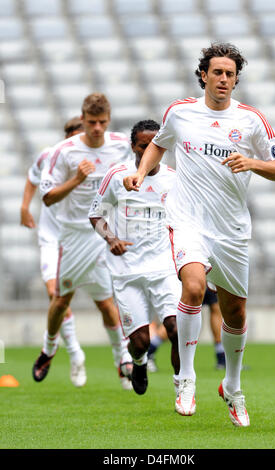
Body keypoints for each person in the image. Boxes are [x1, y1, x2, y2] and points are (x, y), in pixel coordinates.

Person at [123, 43, 275, 425]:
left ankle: (232, 387)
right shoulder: (180, 112)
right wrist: (141, 173)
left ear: (236, 79)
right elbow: (158, 146)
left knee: (235, 313)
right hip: (187, 221)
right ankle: (186, 378)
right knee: (194, 288)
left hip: (230, 229)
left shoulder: (251, 120)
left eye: (230, 74)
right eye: (217, 72)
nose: (224, 80)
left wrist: (253, 163)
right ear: (204, 75)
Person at [32, 93, 133, 390]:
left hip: (103, 232)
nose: (98, 128)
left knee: (106, 303)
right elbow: (48, 198)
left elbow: (133, 178)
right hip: (74, 235)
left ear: (109, 119)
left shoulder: (121, 146)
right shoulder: (64, 152)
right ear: (83, 119)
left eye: (102, 122)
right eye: (92, 122)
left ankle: (122, 358)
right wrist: (76, 179)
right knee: (61, 299)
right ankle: (49, 349)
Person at [89, 119, 181, 396]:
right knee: (139, 342)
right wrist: (111, 238)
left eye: (155, 146)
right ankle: (139, 362)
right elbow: (96, 215)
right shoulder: (117, 176)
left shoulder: (173, 179)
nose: (149, 151)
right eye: (143, 146)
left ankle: (182, 386)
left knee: (176, 328)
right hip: (127, 271)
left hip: (163, 268)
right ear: (133, 146)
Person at [21, 117, 87, 387]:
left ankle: (127, 359)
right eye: (72, 137)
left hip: (80, 240)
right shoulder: (49, 156)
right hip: (51, 239)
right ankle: (74, 353)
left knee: (106, 303)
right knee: (54, 293)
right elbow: (31, 177)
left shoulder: (95, 162)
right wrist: (25, 206)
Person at [147, 285, 225, 372]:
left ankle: (221, 356)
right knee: (177, 317)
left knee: (215, 307)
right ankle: (149, 351)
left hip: (206, 275)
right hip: (190, 277)